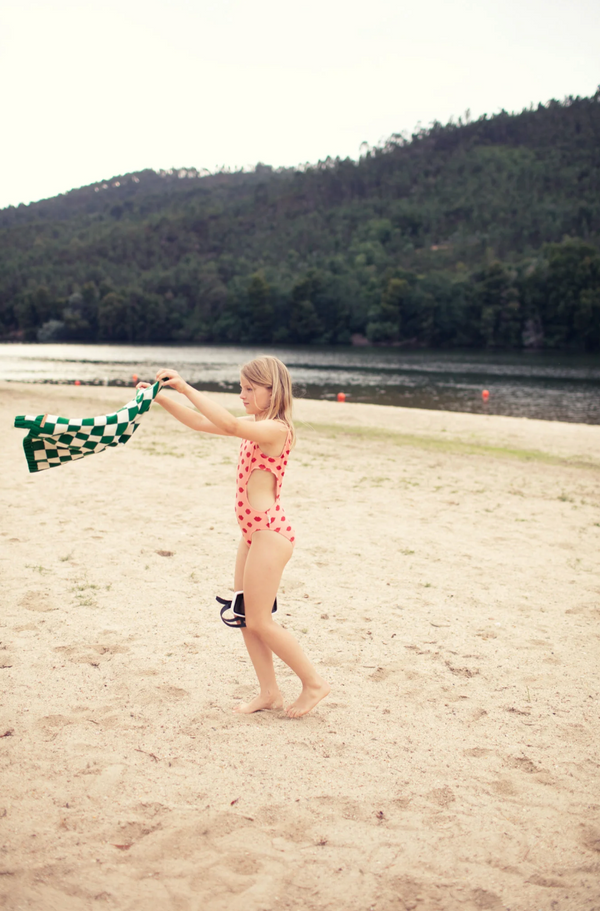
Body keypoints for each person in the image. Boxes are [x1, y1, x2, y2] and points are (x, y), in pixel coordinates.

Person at [139, 356, 330, 718]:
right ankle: (269, 692)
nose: (241, 394)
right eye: (240, 388)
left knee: (260, 620)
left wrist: (183, 386)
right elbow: (200, 422)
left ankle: (314, 684)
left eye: (248, 388)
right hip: (252, 534)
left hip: (271, 533)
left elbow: (225, 422)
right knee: (244, 616)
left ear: (272, 391)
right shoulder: (256, 424)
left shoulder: (276, 430)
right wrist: (160, 399)